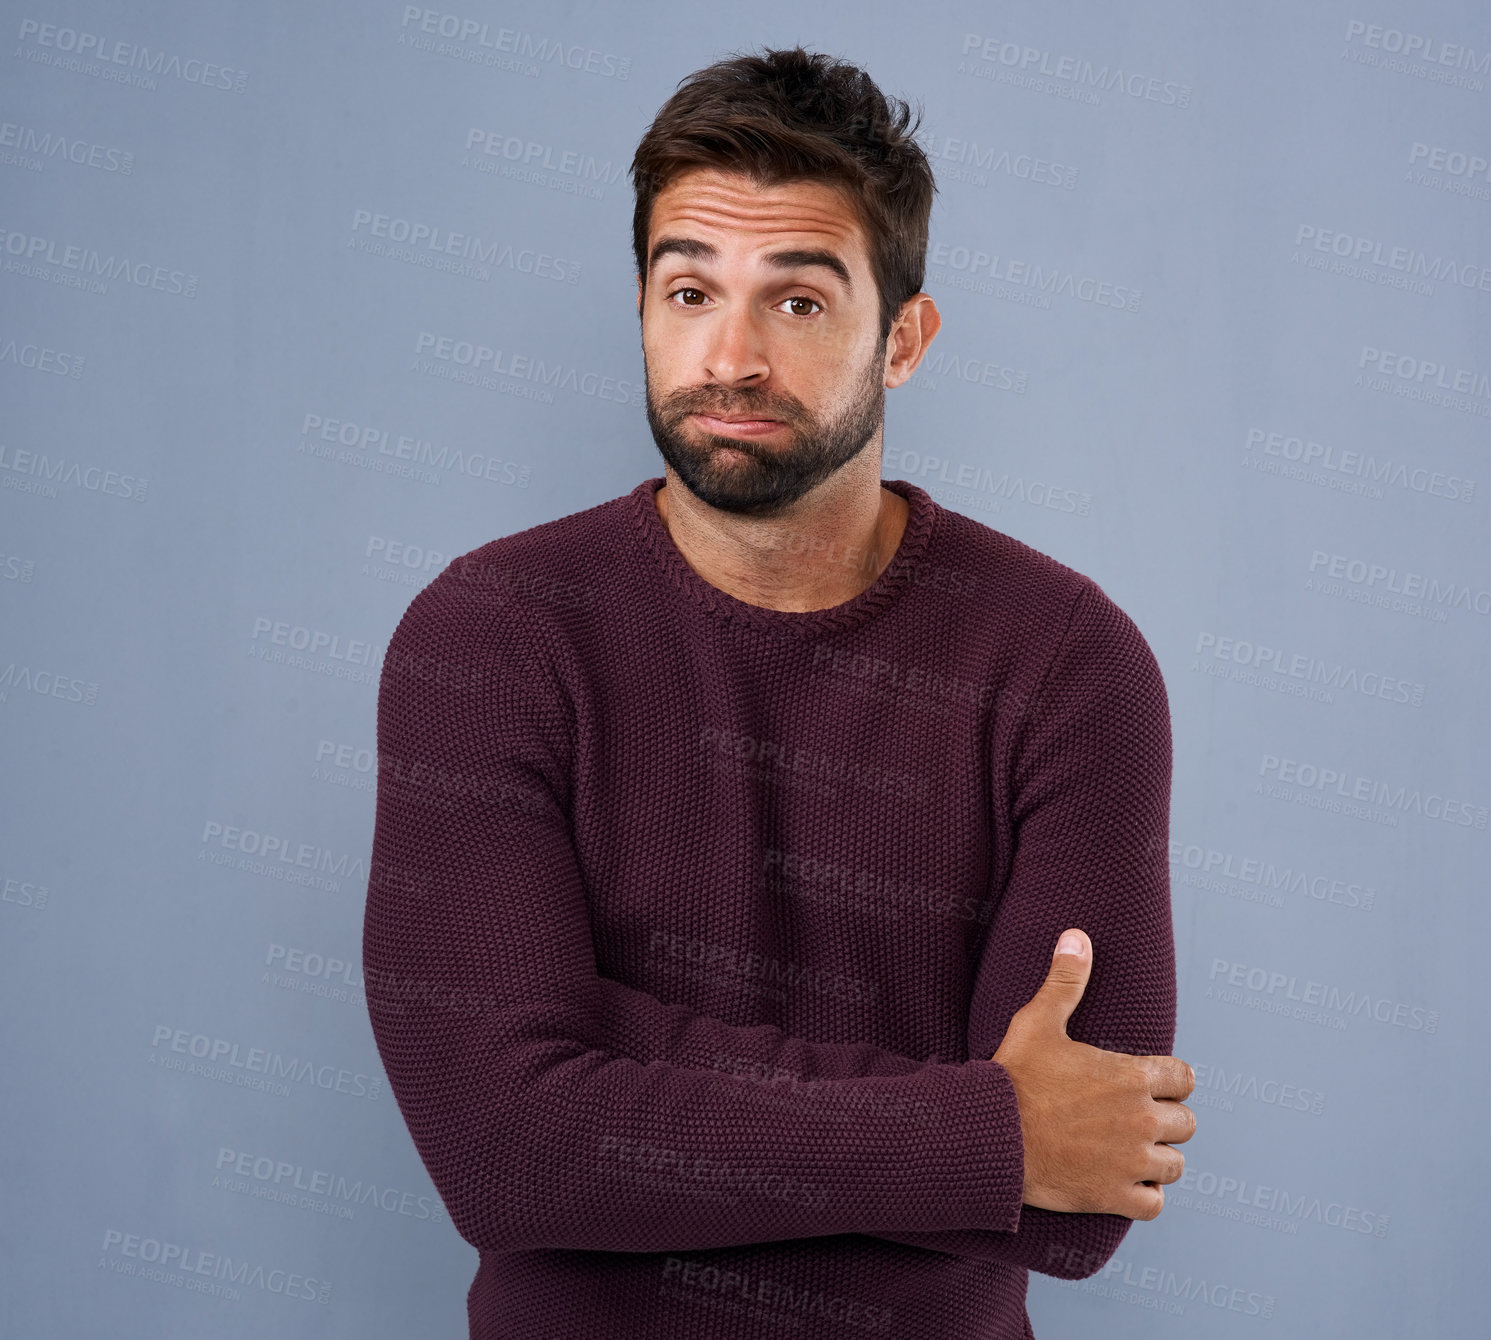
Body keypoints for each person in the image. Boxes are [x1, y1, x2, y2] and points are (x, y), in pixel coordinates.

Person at [363, 44, 1196, 1340]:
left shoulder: (1069, 667)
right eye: (690, 290)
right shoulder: (489, 640)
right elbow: (505, 1146)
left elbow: (1076, 1204)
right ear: (641, 309)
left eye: (799, 303)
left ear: (904, 339)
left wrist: (607, 1066)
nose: (732, 355)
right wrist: (984, 1126)